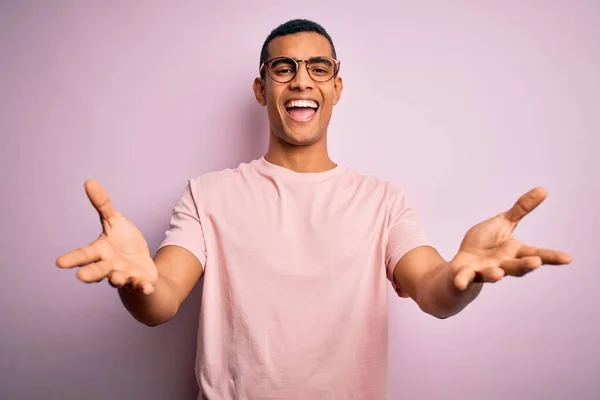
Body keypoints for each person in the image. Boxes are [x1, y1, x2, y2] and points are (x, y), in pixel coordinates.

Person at [56, 19, 571, 400]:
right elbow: (160, 299)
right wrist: (134, 281)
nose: (302, 80)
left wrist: (466, 274)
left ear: (335, 88)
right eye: (284, 68)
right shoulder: (207, 194)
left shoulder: (382, 200)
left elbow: (433, 289)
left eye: (318, 68)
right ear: (263, 89)